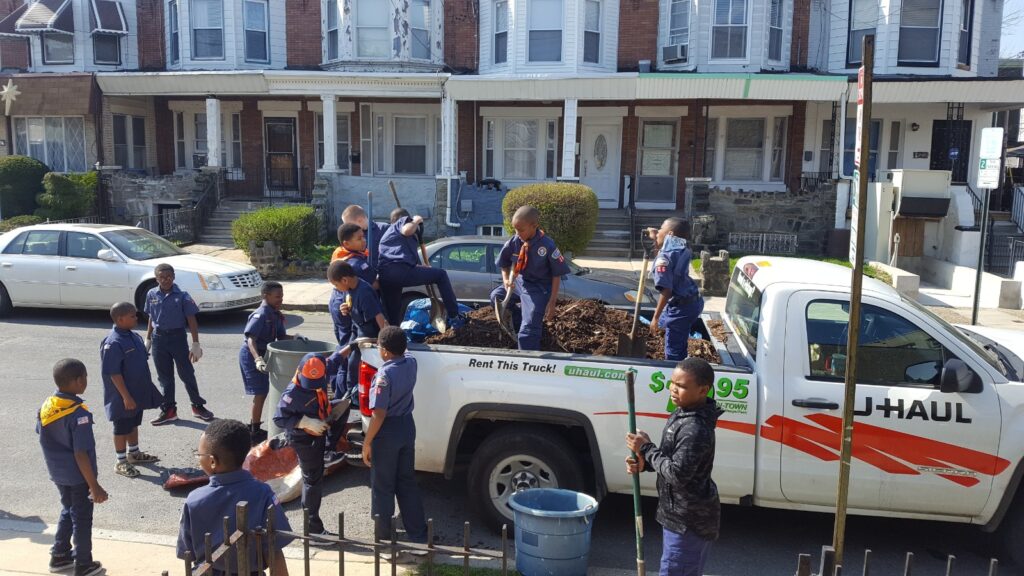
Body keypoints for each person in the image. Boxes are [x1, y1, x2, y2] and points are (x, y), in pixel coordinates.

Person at [625, 358, 722, 576]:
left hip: (688, 523)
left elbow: (678, 474)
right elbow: (673, 460)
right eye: (672, 383)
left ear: (703, 390)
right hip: (676, 518)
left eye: (682, 386)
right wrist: (645, 463)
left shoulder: (695, 428)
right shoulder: (683, 414)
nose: (673, 389)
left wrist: (647, 448)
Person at [178, 419, 292, 575]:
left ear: (212, 461)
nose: (198, 458)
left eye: (199, 454)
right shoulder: (263, 493)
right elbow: (274, 549)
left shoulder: (194, 500)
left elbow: (187, 553)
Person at [37, 358, 107, 576]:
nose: (87, 381)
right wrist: (94, 486)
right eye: (85, 377)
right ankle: (83, 563)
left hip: (58, 474)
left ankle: (60, 555)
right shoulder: (78, 414)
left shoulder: (47, 407)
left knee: (68, 510)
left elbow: (42, 436)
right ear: (78, 382)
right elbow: (80, 452)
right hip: (79, 477)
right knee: (82, 518)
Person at [273, 353, 349, 542]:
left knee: (344, 405)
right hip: (303, 438)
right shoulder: (292, 394)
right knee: (312, 480)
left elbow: (336, 359)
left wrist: (354, 345)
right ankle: (312, 528)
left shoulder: (322, 368)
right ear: (300, 371)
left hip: (321, 420)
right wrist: (304, 422)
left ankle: (329, 449)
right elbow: (279, 418)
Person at [363, 326, 427, 544]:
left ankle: (383, 538)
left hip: (387, 431)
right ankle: (418, 533)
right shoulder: (411, 362)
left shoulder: (383, 375)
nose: (378, 350)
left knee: (383, 485)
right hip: (407, 426)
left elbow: (378, 414)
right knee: (406, 481)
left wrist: (367, 442)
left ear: (386, 352)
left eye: (380, 347)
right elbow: (403, 349)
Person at [489, 205, 571, 351]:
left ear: (534, 226)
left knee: (527, 332)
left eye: (521, 230)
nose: (517, 233)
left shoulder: (547, 245)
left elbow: (557, 275)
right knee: (496, 296)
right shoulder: (515, 241)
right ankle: (516, 320)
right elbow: (504, 264)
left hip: (539, 289)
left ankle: (529, 361)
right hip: (520, 282)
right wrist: (506, 280)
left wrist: (552, 303)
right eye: (515, 229)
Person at [144, 263, 214, 425]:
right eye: (161, 277)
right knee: (164, 377)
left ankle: (197, 406)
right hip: (159, 339)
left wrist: (195, 343)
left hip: (177, 338)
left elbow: (191, 319)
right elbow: (151, 317)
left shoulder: (183, 296)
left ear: (173, 277)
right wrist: (148, 339)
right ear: (156, 279)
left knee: (186, 373)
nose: (165, 280)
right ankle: (169, 410)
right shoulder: (151, 294)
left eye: (168, 277)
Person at [101, 302, 163, 478]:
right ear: (120, 319)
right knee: (121, 427)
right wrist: (126, 397)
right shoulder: (113, 342)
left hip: (137, 392)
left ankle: (134, 453)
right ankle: (121, 461)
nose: (136, 318)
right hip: (123, 396)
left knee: (133, 423)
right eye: (132, 316)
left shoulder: (133, 336)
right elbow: (113, 373)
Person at [239, 281, 300, 445]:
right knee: (261, 393)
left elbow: (280, 337)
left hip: (266, 354)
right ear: (266, 296)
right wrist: (257, 359)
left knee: (268, 391)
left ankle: (256, 426)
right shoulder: (261, 314)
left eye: (282, 296)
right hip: (253, 354)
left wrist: (295, 338)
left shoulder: (275, 313)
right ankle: (254, 430)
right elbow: (250, 339)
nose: (281, 299)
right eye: (277, 296)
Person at [376, 208, 460, 325]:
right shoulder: (402, 223)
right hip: (399, 271)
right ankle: (454, 316)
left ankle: (393, 337)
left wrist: (420, 268)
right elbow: (406, 230)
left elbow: (401, 257)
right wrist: (415, 221)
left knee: (392, 314)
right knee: (441, 275)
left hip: (386, 276)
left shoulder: (388, 235)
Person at [329, 223, 378, 399]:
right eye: (359, 238)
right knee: (348, 352)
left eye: (363, 236)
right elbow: (374, 285)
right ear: (346, 243)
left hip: (342, 304)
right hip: (343, 304)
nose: (364, 240)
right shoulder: (356, 264)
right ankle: (342, 394)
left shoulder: (348, 255)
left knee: (347, 348)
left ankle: (342, 390)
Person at [328, 260, 388, 403]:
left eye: (336, 285)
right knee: (349, 361)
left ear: (344, 280)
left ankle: (352, 396)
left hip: (368, 332)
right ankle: (350, 393)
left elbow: (379, 316)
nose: (337, 288)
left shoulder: (365, 292)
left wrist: (384, 338)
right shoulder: (348, 289)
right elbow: (350, 305)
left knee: (354, 362)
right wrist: (345, 308)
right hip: (356, 327)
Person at [648, 218, 704, 361]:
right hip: (694, 300)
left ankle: (674, 367)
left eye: (661, 229)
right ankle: (673, 337)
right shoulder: (681, 247)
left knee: (673, 347)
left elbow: (666, 291)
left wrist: (654, 318)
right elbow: (665, 253)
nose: (658, 231)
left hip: (682, 308)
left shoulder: (664, 258)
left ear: (670, 234)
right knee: (663, 324)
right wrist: (655, 239)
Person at [341, 204, 389, 271]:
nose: (348, 228)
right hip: (362, 274)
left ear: (360, 220)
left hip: (382, 273)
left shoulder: (384, 229)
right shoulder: (351, 235)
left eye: (349, 224)